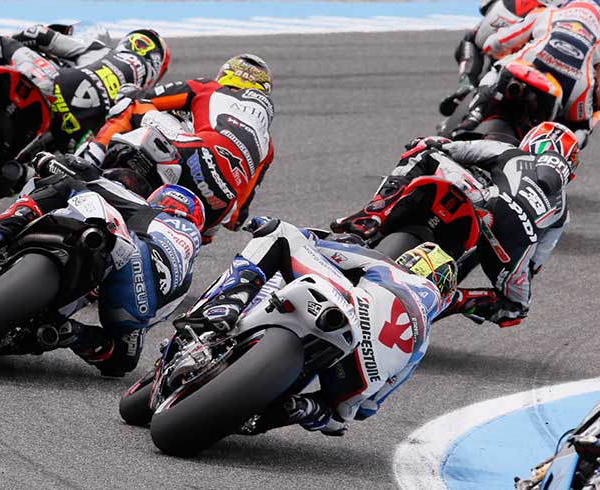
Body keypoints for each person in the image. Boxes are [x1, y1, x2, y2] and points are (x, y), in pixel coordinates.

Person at [174, 217, 457, 435]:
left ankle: (222, 308)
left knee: (280, 234)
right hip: (359, 376)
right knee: (338, 418)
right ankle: (302, 409)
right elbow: (368, 408)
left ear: (410, 262)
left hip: (353, 312)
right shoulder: (422, 341)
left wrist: (302, 235)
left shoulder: (389, 268)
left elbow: (321, 249)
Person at [0, 153, 203, 377]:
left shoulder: (145, 207)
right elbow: (156, 316)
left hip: (126, 250)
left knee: (67, 184)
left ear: (161, 200)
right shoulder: (187, 272)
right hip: (137, 302)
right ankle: (68, 333)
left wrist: (46, 161)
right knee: (122, 360)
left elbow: (85, 173)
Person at [331, 122, 578, 327]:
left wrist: (433, 143)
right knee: (514, 309)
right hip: (513, 247)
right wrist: (517, 273)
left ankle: (369, 219)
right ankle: (455, 299)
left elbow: (453, 149)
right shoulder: (562, 212)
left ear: (531, 141)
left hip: (487, 205)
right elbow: (535, 264)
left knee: (423, 150)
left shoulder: (512, 153)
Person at [78, 53, 274, 243]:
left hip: (193, 157)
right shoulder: (268, 145)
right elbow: (235, 220)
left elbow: (145, 97)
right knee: (208, 230)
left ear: (225, 75)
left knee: (131, 102)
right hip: (216, 208)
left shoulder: (209, 88)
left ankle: (87, 161)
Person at [0, 24, 170, 143]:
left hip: (56, 86)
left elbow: (38, 34)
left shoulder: (98, 49)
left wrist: (22, 42)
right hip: (81, 136)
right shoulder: (150, 99)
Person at [459, 0, 600, 146]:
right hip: (575, 81)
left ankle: (475, 115)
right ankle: (557, 152)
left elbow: (504, 40)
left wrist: (492, 47)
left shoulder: (550, 12)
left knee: (497, 70)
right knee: (581, 126)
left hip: (534, 59)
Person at [440, 0, 567, 116]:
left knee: (474, 41)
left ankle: (467, 85)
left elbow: (484, 11)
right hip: (548, 51)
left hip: (522, 40)